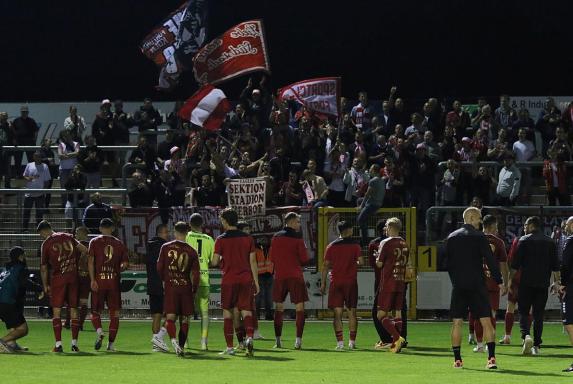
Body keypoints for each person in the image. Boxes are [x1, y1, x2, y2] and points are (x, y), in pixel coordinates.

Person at [446, 207, 504, 369]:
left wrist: (456, 280)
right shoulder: (479, 236)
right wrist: (499, 281)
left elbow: (448, 264)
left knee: (457, 322)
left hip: (459, 285)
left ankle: (457, 360)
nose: (480, 222)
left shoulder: (451, 237)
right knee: (486, 321)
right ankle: (491, 359)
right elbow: (491, 261)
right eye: (479, 218)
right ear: (471, 217)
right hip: (477, 284)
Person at [211, 208, 259, 357]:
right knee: (246, 310)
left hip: (229, 280)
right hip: (245, 279)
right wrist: (256, 282)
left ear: (225, 221)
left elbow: (214, 261)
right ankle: (249, 337)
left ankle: (230, 348)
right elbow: (253, 261)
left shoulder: (220, 239)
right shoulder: (247, 238)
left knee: (227, 313)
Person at [509, 216, 560, 355]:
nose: (524, 228)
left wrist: (509, 281)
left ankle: (526, 335)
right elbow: (556, 266)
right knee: (538, 315)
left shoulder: (523, 240)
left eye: (525, 225)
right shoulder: (550, 242)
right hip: (542, 284)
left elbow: (515, 265)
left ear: (531, 226)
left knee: (524, 312)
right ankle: (536, 346)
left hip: (526, 283)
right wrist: (556, 282)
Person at [38, 220, 88, 352]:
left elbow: (43, 268)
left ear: (44, 231)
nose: (42, 236)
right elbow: (84, 250)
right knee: (73, 309)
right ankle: (74, 344)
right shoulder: (67, 236)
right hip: (73, 277)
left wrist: (45, 285)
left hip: (58, 279)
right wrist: (79, 265)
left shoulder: (46, 243)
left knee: (57, 311)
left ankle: (58, 344)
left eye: (41, 234)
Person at [156, 221, 200, 357]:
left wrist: (165, 280)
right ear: (187, 233)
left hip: (171, 286)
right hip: (185, 287)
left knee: (170, 316)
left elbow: (159, 267)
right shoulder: (192, 252)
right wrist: (194, 289)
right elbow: (196, 274)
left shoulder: (165, 247)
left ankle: (173, 340)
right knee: (185, 318)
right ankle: (181, 346)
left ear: (175, 232)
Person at [268, 212, 309, 349]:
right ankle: (298, 341)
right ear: (291, 222)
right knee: (300, 307)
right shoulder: (298, 238)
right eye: (297, 222)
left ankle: (278, 341)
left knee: (279, 307)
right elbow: (304, 259)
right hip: (295, 275)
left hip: (280, 276)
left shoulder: (275, 237)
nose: (298, 224)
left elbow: (272, 258)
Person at [320, 220, 363, 350]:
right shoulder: (355, 246)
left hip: (336, 282)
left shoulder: (331, 246)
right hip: (350, 282)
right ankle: (352, 342)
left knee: (337, 313)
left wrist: (323, 283)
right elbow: (361, 262)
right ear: (349, 230)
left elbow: (325, 266)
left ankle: (340, 343)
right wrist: (352, 264)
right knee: (352, 312)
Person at [88, 218, 129, 352]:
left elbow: (90, 262)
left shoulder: (94, 242)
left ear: (100, 229)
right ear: (112, 229)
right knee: (114, 314)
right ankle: (111, 345)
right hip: (113, 282)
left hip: (99, 280)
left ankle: (100, 332)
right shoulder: (119, 244)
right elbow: (125, 264)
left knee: (95, 312)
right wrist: (121, 267)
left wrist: (92, 279)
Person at [472, 215, 509, 353]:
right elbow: (504, 265)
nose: (497, 230)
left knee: (477, 315)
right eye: (496, 227)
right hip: (493, 283)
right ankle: (490, 344)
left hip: (477, 283)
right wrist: (505, 283)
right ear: (492, 227)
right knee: (491, 314)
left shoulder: (474, 239)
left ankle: (480, 345)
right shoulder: (499, 242)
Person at [376, 217, 410, 353]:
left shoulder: (386, 242)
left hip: (389, 281)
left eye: (386, 226)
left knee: (380, 314)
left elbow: (379, 264)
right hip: (401, 281)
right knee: (397, 313)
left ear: (390, 227)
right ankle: (397, 344)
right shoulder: (404, 243)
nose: (385, 229)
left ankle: (397, 338)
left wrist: (377, 256)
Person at [185, 213, 215, 351]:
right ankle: (204, 342)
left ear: (189, 224)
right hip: (204, 278)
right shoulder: (209, 239)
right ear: (202, 224)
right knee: (204, 313)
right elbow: (214, 261)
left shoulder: (187, 237)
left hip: (188, 278)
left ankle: (184, 341)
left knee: (186, 312)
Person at [368, 220, 394, 349]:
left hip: (381, 281)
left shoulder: (374, 244)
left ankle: (387, 338)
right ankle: (400, 337)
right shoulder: (399, 241)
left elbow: (374, 264)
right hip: (397, 280)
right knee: (398, 310)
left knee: (377, 312)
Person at [0, 247, 31, 353]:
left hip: (2, 301)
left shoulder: (4, 269)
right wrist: (40, 289)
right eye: (24, 255)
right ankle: (2, 342)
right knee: (23, 329)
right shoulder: (20, 268)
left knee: (14, 325)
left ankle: (12, 344)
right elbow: (25, 283)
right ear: (21, 256)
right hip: (8, 301)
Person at [147, 224, 170, 352]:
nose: (168, 235)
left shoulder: (149, 245)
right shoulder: (165, 247)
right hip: (163, 284)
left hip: (152, 284)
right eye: (166, 232)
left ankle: (156, 343)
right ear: (160, 233)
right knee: (171, 314)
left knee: (156, 314)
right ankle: (159, 339)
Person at [22, 151, 51, 231]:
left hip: (40, 194)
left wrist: (43, 191)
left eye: (39, 156)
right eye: (36, 156)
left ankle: (39, 230)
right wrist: (29, 178)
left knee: (39, 213)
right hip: (29, 193)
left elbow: (47, 181)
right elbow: (25, 176)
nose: (37, 158)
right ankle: (25, 229)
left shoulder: (45, 166)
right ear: (33, 157)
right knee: (26, 212)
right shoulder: (29, 165)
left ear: (41, 157)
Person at [357, 164, 385, 246]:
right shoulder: (381, 180)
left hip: (373, 204)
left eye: (370, 169)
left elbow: (367, 194)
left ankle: (365, 240)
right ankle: (363, 215)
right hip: (379, 203)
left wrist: (361, 206)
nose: (369, 170)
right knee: (359, 200)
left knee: (360, 220)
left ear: (374, 170)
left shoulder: (373, 181)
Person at [558, 219, 573, 371]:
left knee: (569, 323)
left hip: (572, 287)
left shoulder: (570, 240)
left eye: (568, 225)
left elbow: (566, 264)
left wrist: (562, 283)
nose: (566, 228)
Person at [12, 105, 39, 174]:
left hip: (29, 142)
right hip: (19, 142)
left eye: (25, 112)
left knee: (31, 159)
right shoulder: (16, 120)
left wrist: (34, 140)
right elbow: (13, 131)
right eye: (23, 112)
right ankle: (18, 175)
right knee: (18, 159)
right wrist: (14, 141)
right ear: (21, 112)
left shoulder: (31, 120)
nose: (24, 113)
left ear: (28, 112)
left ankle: (32, 173)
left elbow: (36, 131)